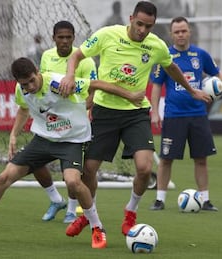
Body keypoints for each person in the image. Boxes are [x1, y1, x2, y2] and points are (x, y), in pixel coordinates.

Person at [0, 57, 144, 249]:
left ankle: (97, 227)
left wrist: (131, 96)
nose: (29, 87)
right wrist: (13, 134)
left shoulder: (59, 83)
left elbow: (97, 84)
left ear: (37, 72)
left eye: (31, 81)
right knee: (4, 177)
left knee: (73, 182)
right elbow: (23, 109)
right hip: (42, 140)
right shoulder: (21, 90)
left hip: (72, 141)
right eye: (24, 84)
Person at [59, 1, 211, 237]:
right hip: (105, 111)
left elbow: (171, 69)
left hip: (136, 113)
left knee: (144, 168)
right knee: (88, 170)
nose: (142, 30)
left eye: (148, 26)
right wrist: (69, 76)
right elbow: (76, 56)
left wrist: (192, 90)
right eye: (139, 24)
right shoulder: (107, 35)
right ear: (131, 19)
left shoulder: (156, 46)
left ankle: (130, 212)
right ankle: (88, 217)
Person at [149, 16, 222, 211]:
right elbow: (156, 86)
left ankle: (205, 200)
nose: (180, 34)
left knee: (201, 158)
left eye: (183, 31)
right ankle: (159, 199)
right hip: (173, 115)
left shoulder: (200, 54)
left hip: (198, 115)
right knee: (166, 158)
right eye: (177, 31)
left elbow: (218, 74)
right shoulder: (165, 56)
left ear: (189, 32)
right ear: (171, 34)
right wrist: (154, 112)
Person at [34, 20, 99, 224]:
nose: (64, 41)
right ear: (53, 38)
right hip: (51, 121)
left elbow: (92, 92)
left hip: (75, 125)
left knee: (71, 171)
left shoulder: (85, 60)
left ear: (73, 38)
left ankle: (72, 210)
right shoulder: (47, 56)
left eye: (68, 37)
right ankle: (55, 199)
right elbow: (42, 87)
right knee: (33, 162)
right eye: (60, 37)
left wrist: (80, 111)